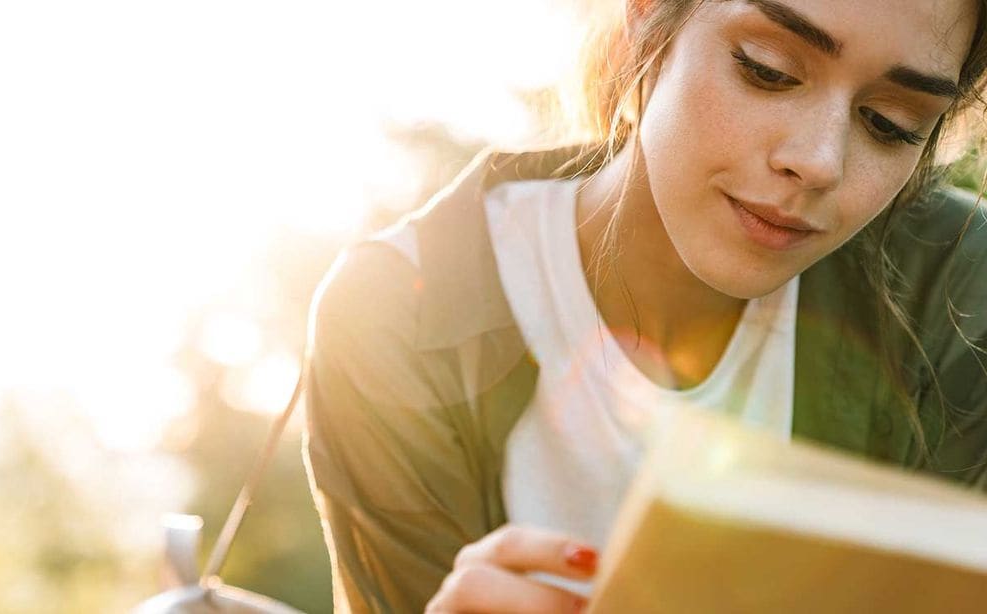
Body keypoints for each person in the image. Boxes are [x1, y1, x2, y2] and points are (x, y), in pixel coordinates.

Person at [303, 0, 987, 611]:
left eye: (891, 124)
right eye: (768, 70)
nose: (818, 161)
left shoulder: (957, 294)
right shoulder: (396, 317)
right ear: (645, 22)